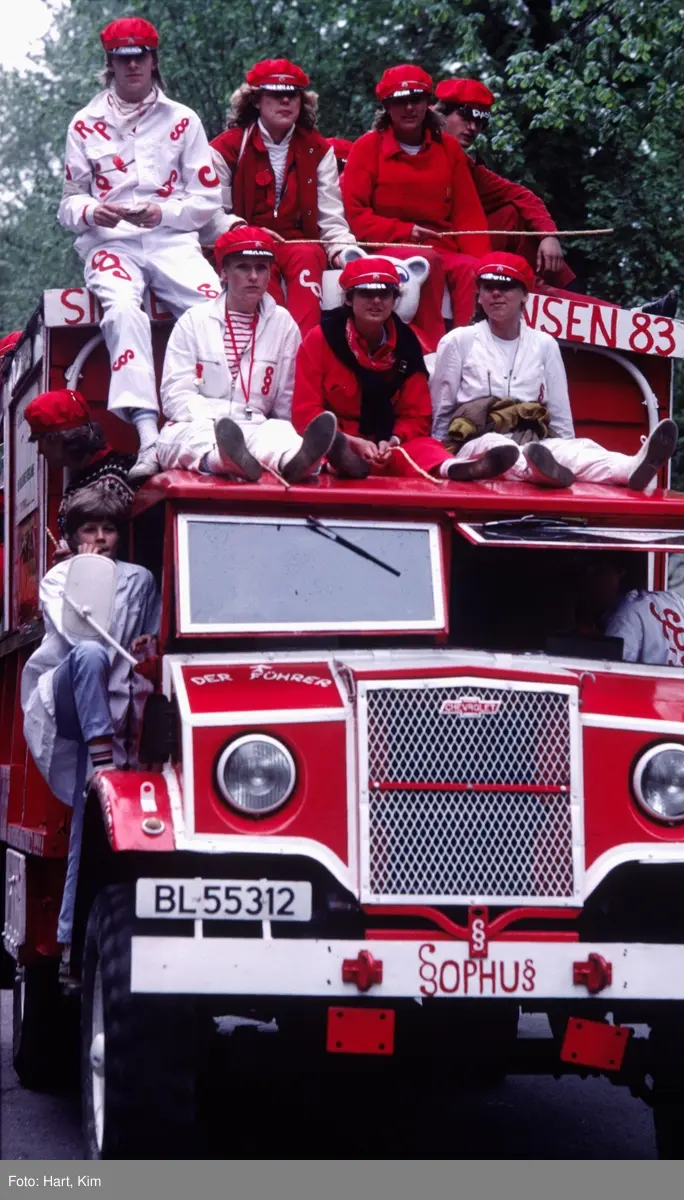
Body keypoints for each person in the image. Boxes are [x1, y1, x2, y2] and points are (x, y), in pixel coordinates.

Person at [57, 17, 224, 474]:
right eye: (122, 59)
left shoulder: (183, 119)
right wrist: (94, 211)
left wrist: (163, 213)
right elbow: (69, 204)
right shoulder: (84, 123)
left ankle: (214, 421)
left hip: (170, 238)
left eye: (140, 57)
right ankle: (148, 433)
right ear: (109, 64)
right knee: (123, 308)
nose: (132, 67)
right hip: (112, 243)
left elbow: (207, 199)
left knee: (215, 308)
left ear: (154, 61)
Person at [20, 484, 160, 958]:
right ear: (74, 534)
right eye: (89, 529)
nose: (100, 538)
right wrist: (83, 574)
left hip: (117, 701)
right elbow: (77, 635)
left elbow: (149, 635)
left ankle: (72, 944)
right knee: (90, 653)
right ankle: (101, 756)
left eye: (108, 530)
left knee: (89, 827)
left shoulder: (139, 579)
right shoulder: (60, 578)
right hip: (67, 695)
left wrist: (146, 646)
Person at [430, 252, 678, 490]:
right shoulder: (459, 341)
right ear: (480, 296)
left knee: (580, 449)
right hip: (476, 444)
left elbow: (560, 417)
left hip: (532, 441)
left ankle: (629, 467)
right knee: (498, 447)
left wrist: (566, 450)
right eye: (488, 287)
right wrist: (442, 462)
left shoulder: (544, 344)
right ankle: (536, 471)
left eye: (505, 287)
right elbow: (440, 415)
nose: (496, 294)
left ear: (525, 295)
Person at [434, 77, 678, 318]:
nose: (473, 128)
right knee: (517, 277)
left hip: (468, 247)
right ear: (442, 113)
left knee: (513, 217)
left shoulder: (465, 165)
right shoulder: (419, 142)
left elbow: (520, 194)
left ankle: (617, 315)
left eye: (481, 123)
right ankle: (620, 317)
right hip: (435, 249)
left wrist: (548, 235)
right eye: (466, 117)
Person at [292, 256, 517, 481]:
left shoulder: (408, 343)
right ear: (349, 300)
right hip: (339, 439)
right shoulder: (320, 339)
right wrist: (351, 442)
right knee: (322, 445)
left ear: (395, 299)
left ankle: (455, 469)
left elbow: (417, 415)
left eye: (385, 294)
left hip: (387, 445)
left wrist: (393, 440)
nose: (377, 301)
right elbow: (305, 413)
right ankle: (341, 463)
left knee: (424, 448)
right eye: (366, 293)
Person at [150, 226, 336, 483]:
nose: (253, 276)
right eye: (243, 267)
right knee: (177, 438)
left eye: (261, 268)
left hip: (256, 424)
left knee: (280, 434)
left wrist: (280, 430)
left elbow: (286, 401)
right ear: (223, 272)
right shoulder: (193, 320)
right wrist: (215, 420)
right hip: (201, 423)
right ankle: (223, 459)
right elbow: (175, 394)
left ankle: (297, 460)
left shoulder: (283, 323)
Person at [341, 65, 491, 350]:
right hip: (385, 247)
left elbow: (467, 216)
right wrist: (405, 231)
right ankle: (432, 349)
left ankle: (470, 350)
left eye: (417, 99)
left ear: (427, 103)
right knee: (428, 261)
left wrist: (484, 264)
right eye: (399, 101)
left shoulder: (447, 149)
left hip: (442, 249)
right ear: (386, 106)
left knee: (473, 268)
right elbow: (356, 215)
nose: (409, 108)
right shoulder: (367, 148)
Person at [207, 58, 357, 338]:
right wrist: (241, 230)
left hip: (297, 244)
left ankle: (305, 351)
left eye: (293, 94)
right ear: (256, 100)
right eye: (276, 94)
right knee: (256, 260)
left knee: (308, 252)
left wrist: (345, 252)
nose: (286, 100)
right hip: (246, 242)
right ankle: (264, 350)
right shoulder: (225, 148)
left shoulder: (318, 149)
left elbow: (331, 219)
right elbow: (212, 214)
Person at [25, 388, 135, 541]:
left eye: (40, 441)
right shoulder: (79, 482)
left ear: (55, 439)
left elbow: (110, 546)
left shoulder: (115, 475)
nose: (40, 451)